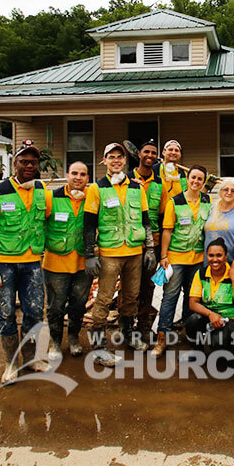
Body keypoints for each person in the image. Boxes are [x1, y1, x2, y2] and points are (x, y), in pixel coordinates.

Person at [0, 139, 52, 384]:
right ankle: (10, 364)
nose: (29, 165)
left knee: (34, 311)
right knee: (6, 312)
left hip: (32, 262)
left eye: (33, 162)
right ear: (15, 163)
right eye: (24, 161)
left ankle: (32, 359)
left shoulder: (42, 190)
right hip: (4, 264)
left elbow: (48, 221)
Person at [83, 143, 157, 366]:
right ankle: (99, 346)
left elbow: (145, 222)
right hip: (109, 253)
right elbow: (88, 224)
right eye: (111, 157)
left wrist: (150, 249)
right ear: (104, 160)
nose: (116, 161)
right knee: (104, 299)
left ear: (125, 161)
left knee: (130, 297)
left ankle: (127, 335)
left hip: (134, 251)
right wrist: (89, 254)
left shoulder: (137, 188)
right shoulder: (97, 189)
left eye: (120, 157)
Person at [155, 165, 212, 358]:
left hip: (197, 259)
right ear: (187, 179)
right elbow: (167, 230)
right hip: (177, 257)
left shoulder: (206, 200)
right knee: (170, 297)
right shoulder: (175, 201)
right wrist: (164, 256)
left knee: (192, 297)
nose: (196, 182)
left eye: (200, 179)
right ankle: (162, 338)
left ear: (204, 182)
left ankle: (190, 333)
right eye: (193, 178)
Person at [43, 161, 91, 360]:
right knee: (56, 306)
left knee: (78, 305)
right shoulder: (52, 198)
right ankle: (55, 341)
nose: (78, 177)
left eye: (82, 174)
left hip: (83, 263)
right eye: (74, 173)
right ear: (67, 175)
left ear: (88, 178)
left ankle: (73, 338)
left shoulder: (92, 198)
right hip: (56, 263)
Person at [128, 140, 164, 339]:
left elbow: (161, 213)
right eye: (146, 151)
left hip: (154, 244)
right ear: (139, 155)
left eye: (153, 153)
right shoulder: (126, 179)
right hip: (130, 244)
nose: (150, 155)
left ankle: (143, 327)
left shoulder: (159, 183)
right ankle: (127, 326)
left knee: (148, 286)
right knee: (129, 286)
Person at [186, 238, 234, 352]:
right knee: (193, 321)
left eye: (219, 255)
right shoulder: (201, 274)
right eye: (211, 255)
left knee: (218, 342)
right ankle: (196, 352)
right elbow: (193, 303)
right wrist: (210, 314)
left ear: (225, 256)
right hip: (211, 316)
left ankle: (230, 351)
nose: (215, 259)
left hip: (232, 318)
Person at [203, 179, 234, 271]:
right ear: (220, 192)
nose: (229, 193)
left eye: (233, 191)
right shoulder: (210, 209)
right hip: (210, 262)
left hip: (231, 262)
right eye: (226, 189)